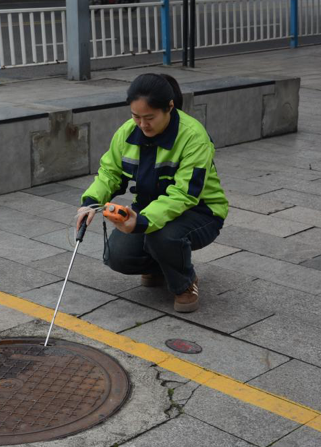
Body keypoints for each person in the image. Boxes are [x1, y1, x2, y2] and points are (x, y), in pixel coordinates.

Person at [76, 74, 229, 313]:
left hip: (201, 211)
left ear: (169, 107)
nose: (142, 124)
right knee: (117, 255)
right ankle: (161, 266)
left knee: (161, 236)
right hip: (149, 207)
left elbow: (184, 194)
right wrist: (90, 202)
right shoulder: (127, 132)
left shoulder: (193, 137)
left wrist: (143, 222)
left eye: (149, 117)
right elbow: (110, 172)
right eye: (136, 116)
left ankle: (185, 283)